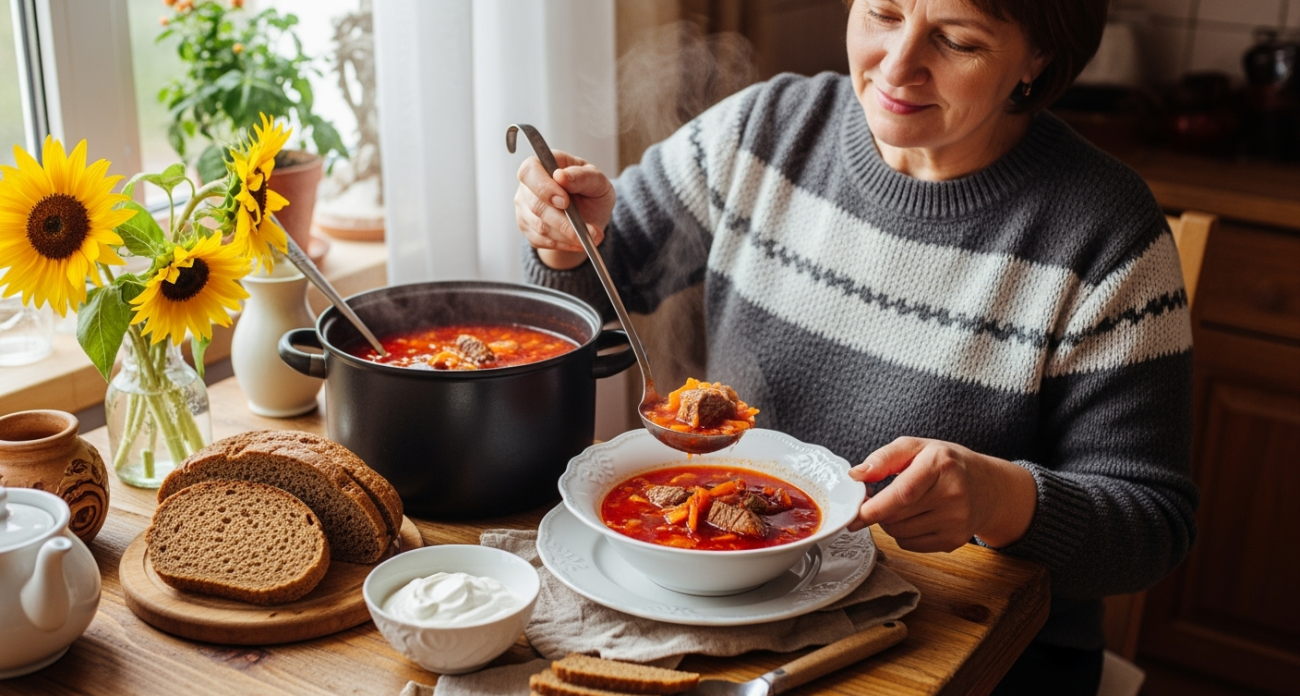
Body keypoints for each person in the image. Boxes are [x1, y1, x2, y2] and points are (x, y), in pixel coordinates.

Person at [514, 0, 1198, 693]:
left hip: (963, 652)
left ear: (1037, 60)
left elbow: (1153, 528)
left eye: (958, 41)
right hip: (725, 625)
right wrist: (567, 252)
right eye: (882, 12)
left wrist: (999, 499)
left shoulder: (1108, 234)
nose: (897, 66)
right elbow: (588, 338)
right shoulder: (765, 131)